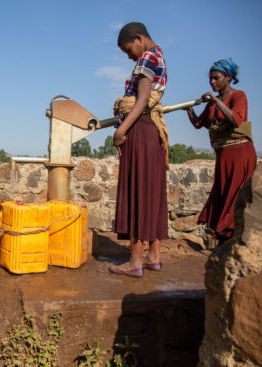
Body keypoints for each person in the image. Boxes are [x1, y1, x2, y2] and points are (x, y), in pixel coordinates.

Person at [108, 22, 169, 278]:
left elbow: (142, 100)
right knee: (152, 192)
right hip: (152, 131)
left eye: (127, 49)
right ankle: (154, 257)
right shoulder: (160, 57)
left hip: (140, 129)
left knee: (136, 191)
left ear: (138, 38)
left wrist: (121, 132)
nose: (128, 55)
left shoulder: (146, 57)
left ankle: (135, 261)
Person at [185, 58, 256, 244]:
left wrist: (215, 100)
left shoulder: (238, 96)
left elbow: (236, 120)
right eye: (210, 79)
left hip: (240, 154)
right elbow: (199, 124)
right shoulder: (212, 103)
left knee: (234, 196)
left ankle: (231, 241)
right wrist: (189, 109)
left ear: (228, 77)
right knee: (223, 195)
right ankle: (223, 243)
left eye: (216, 78)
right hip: (223, 156)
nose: (212, 82)